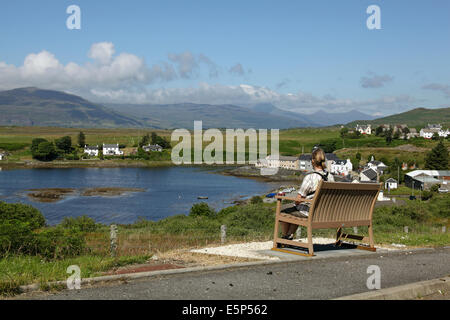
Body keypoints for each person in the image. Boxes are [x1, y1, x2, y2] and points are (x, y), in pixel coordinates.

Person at [280, 146, 334, 240]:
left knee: (283, 209)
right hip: (325, 212)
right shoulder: (330, 177)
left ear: (313, 161)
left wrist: (296, 202)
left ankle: (285, 237)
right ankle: (289, 235)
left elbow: (298, 200)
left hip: (310, 212)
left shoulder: (310, 177)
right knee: (295, 209)